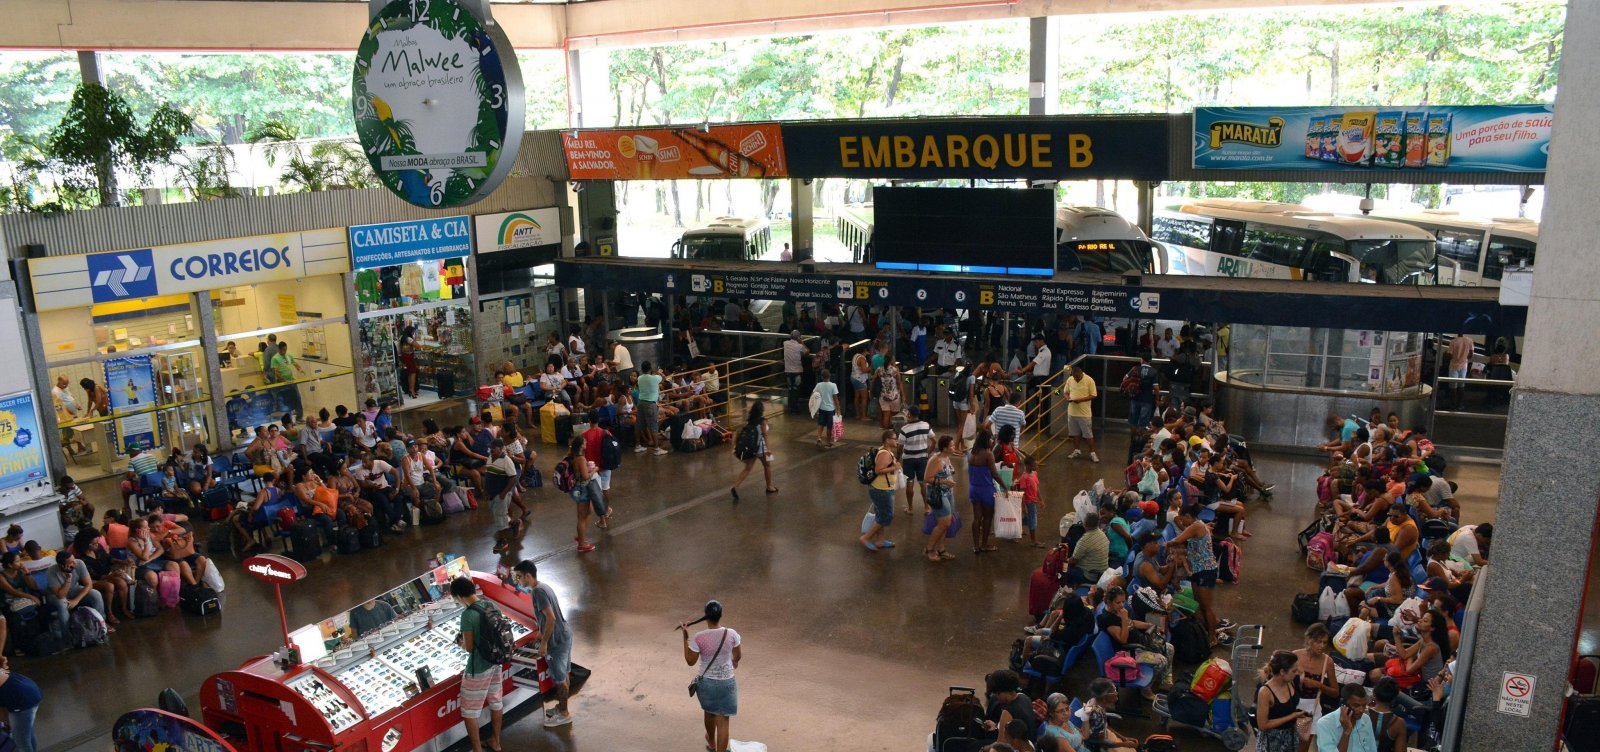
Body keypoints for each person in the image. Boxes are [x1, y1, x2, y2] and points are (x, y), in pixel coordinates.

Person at [513, 560, 574, 727]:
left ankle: (564, 714)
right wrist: (540, 635)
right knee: (565, 673)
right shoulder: (543, 587)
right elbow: (548, 617)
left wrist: (544, 643)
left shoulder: (538, 593)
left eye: (519, 577)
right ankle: (562, 707)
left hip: (556, 641)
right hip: (565, 634)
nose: (518, 580)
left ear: (528, 575)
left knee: (559, 679)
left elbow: (551, 618)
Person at [448, 578, 505, 752]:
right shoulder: (490, 605)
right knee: (496, 701)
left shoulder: (467, 615)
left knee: (469, 711)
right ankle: (496, 741)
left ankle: (477, 750)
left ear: (459, 596)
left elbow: (470, 647)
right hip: (496, 662)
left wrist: (460, 643)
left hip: (479, 668)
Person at [1167, 505, 1234, 647]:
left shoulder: (1196, 526)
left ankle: (1212, 637)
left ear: (1188, 516)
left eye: (1182, 518)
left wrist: (1164, 545)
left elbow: (1176, 541)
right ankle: (1207, 630)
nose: (1182, 522)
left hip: (1206, 571)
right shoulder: (1197, 526)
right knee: (1198, 603)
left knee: (1206, 606)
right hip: (1197, 570)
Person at [680, 600, 741, 752]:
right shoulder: (731, 634)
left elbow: (690, 661)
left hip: (706, 683)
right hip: (727, 683)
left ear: (706, 617)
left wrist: (685, 637)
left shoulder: (699, 637)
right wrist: (734, 662)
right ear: (721, 615)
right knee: (723, 721)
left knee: (709, 713)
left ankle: (712, 743)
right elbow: (738, 655)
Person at [1256, 650, 1312, 752]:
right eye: (1294, 671)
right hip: (1272, 741)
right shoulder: (1265, 692)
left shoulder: (1290, 681)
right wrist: (1293, 716)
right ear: (1282, 672)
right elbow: (1263, 725)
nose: (1296, 674)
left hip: (1290, 736)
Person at [1294, 623, 1340, 744]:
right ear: (1309, 639)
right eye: (1318, 642)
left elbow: (1335, 692)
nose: (1322, 646)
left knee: (1303, 747)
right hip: (1291, 705)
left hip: (1311, 709)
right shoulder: (1295, 656)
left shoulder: (1328, 662)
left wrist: (1319, 685)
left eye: (1324, 643)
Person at [45, 549, 107, 631]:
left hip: (74, 589)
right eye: (71, 562)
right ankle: (67, 634)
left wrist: (76, 600)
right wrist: (68, 578)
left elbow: (89, 584)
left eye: (74, 559)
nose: (75, 563)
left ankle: (101, 624)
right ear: (62, 565)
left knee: (96, 594)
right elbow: (60, 595)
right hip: (56, 595)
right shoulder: (51, 572)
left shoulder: (79, 563)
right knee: (62, 604)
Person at [859, 431, 900, 552]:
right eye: (894, 438)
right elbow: (878, 470)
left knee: (880, 514)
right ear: (887, 440)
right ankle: (866, 538)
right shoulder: (885, 454)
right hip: (881, 489)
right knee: (886, 515)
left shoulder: (884, 451)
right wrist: (895, 467)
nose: (896, 440)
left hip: (881, 488)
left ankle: (880, 540)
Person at [729, 400, 775, 499]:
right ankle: (769, 487)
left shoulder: (749, 421)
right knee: (767, 466)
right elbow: (765, 435)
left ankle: (736, 486)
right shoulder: (763, 421)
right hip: (760, 448)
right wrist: (768, 449)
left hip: (751, 448)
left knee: (747, 468)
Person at [923, 436, 958, 562]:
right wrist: (945, 481)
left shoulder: (946, 457)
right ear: (945, 448)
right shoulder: (935, 460)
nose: (954, 447)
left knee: (944, 524)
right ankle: (929, 548)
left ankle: (941, 549)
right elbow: (927, 478)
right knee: (944, 523)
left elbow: (947, 471)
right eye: (952, 446)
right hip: (938, 494)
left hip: (948, 492)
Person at [1311, 684, 1377, 752]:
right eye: (1356, 705)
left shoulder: (1366, 719)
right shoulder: (1324, 724)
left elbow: (1372, 749)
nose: (1361, 710)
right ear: (1343, 704)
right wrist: (1346, 732)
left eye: (1364, 705)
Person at [1077, 678, 1137, 750]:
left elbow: (1104, 725)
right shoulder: (1098, 716)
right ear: (1104, 697)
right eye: (1113, 691)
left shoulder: (1095, 700)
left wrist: (1124, 738)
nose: (1116, 693)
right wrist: (1125, 744)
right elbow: (1102, 742)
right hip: (1099, 745)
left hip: (1102, 734)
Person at [968, 430, 1002, 554]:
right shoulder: (988, 454)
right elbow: (994, 474)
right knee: (987, 517)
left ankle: (975, 546)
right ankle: (984, 544)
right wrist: (1004, 486)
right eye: (991, 439)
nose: (992, 441)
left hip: (973, 488)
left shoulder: (971, 453)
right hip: (986, 489)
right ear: (986, 440)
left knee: (977, 518)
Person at [898, 407, 932, 514]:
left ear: (909, 415)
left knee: (910, 481)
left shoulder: (905, 429)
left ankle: (910, 508)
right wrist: (928, 453)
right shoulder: (926, 425)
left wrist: (897, 458)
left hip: (908, 459)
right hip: (922, 458)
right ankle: (926, 507)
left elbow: (900, 446)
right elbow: (934, 440)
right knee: (923, 483)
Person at [1064, 363, 1099, 462]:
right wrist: (1068, 398)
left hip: (1084, 413)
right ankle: (1076, 450)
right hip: (1072, 412)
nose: (1076, 379)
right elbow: (1065, 392)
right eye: (1074, 377)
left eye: (1077, 377)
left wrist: (1081, 400)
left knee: (1088, 434)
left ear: (1081, 373)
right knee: (1074, 433)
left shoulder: (1089, 380)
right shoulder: (1070, 380)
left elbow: (1093, 395)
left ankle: (1092, 453)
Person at [634, 362, 667, 456]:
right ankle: (656, 449)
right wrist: (660, 372)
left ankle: (637, 446)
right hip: (650, 404)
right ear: (650, 368)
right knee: (653, 426)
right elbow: (664, 379)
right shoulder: (655, 378)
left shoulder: (640, 378)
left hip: (640, 403)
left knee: (639, 424)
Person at [1067, 512, 1108, 585]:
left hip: (1089, 576)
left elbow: (1072, 561)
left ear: (1085, 523)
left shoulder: (1085, 540)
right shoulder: (1102, 533)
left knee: (1062, 570)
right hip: (1102, 573)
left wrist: (1064, 561)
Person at [811, 368, 840, 449]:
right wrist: (838, 410)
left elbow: (813, 395)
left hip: (821, 408)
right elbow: (836, 399)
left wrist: (813, 407)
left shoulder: (818, 385)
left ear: (821, 377)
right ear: (829, 376)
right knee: (829, 427)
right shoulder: (833, 385)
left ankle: (819, 438)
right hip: (830, 409)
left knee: (821, 424)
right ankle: (828, 442)